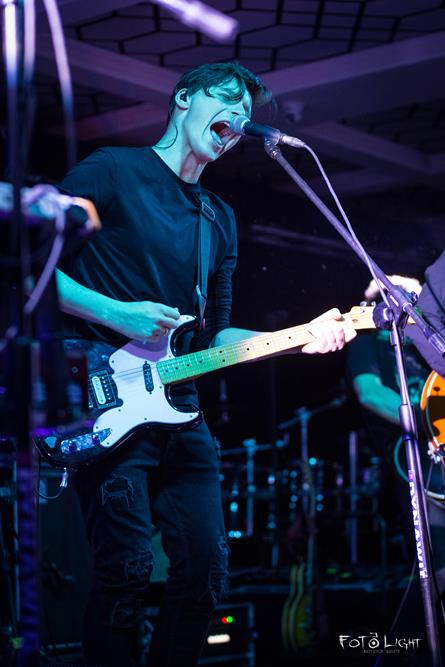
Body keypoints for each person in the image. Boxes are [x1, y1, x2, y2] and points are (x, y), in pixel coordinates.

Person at [56, 62, 357, 667]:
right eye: (225, 101)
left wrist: (299, 338)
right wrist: (118, 314)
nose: (238, 119)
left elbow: (216, 333)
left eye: (246, 113)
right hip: (102, 398)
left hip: (180, 409)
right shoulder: (111, 169)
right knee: (125, 571)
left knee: (205, 575)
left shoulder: (218, 217)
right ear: (183, 99)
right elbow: (31, 269)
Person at [346, 276, 445, 592]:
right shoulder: (368, 341)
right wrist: (425, 420)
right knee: (439, 562)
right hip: (410, 456)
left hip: (439, 447)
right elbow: (370, 393)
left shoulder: (425, 339)